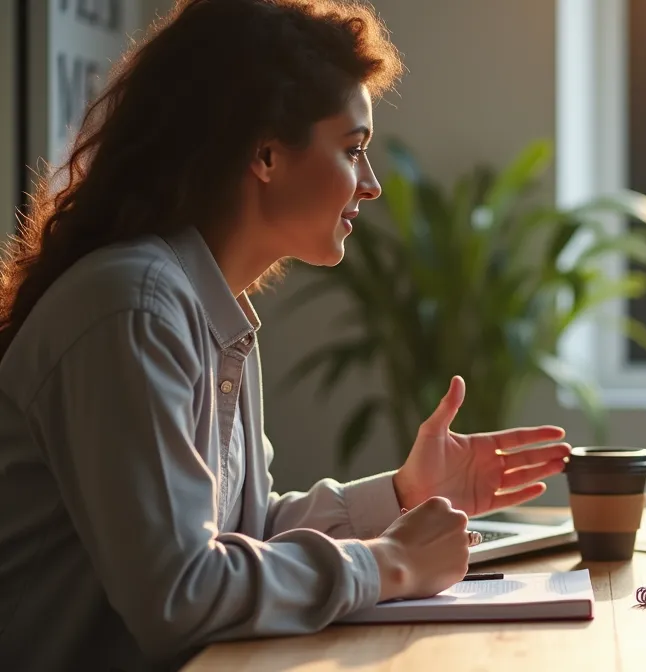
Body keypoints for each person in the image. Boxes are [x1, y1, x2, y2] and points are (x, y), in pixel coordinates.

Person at [0, 1, 571, 670]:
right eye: (353, 149)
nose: (372, 185)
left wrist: (404, 494)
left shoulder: (204, 303)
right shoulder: (133, 308)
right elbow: (181, 594)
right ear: (266, 153)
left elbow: (245, 534)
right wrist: (388, 563)